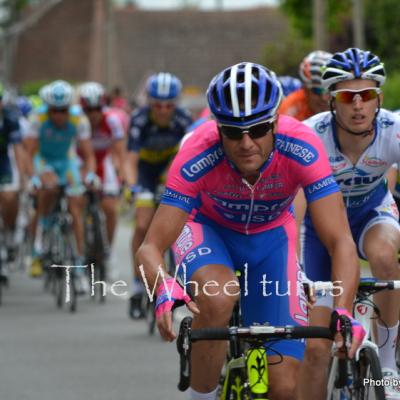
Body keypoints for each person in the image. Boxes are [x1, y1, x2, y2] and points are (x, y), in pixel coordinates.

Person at [136, 62, 364, 400]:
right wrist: (163, 288)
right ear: (217, 128)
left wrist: (343, 311)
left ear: (274, 122)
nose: (246, 143)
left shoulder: (302, 145)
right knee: (218, 296)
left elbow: (340, 240)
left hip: (271, 240)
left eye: (257, 129)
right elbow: (149, 248)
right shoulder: (198, 150)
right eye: (231, 132)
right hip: (208, 230)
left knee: (285, 388)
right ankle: (202, 395)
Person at [299, 48, 400, 400]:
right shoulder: (310, 135)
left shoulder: (394, 130)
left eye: (367, 95)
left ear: (379, 99)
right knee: (315, 346)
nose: (358, 105)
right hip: (319, 230)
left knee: (385, 259)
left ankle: (387, 369)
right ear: (331, 101)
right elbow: (295, 206)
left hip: (372, 213)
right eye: (347, 96)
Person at [126, 72, 193, 319]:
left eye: (169, 105)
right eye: (157, 105)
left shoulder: (184, 120)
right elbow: (130, 160)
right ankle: (136, 287)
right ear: (149, 103)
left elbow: (189, 156)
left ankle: (175, 282)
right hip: (145, 173)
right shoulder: (140, 119)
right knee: (142, 226)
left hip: (171, 173)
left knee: (175, 229)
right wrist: (131, 187)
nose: (163, 110)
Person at [25, 80, 97, 291]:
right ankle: (39, 245)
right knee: (48, 188)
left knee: (76, 205)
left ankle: (78, 265)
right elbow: (28, 154)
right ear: (48, 108)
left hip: (66, 161)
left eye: (63, 110)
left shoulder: (78, 118)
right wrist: (33, 178)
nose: (59, 115)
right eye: (54, 111)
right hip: (43, 160)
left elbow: (88, 155)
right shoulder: (37, 117)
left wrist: (90, 174)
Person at [79, 81, 128, 269]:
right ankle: (81, 245)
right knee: (78, 202)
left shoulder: (112, 121)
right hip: (79, 162)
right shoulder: (76, 121)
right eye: (88, 110)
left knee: (110, 207)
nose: (93, 115)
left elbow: (120, 152)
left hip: (103, 161)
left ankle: (108, 248)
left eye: (96, 109)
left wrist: (120, 174)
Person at [0, 84, 26, 274]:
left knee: (9, 197)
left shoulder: (10, 118)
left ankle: (8, 233)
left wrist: (23, 177)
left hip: (3, 163)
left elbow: (18, 149)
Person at [279, 50, 332, 121]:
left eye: (328, 91)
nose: (323, 98)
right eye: (317, 90)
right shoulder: (290, 108)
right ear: (305, 89)